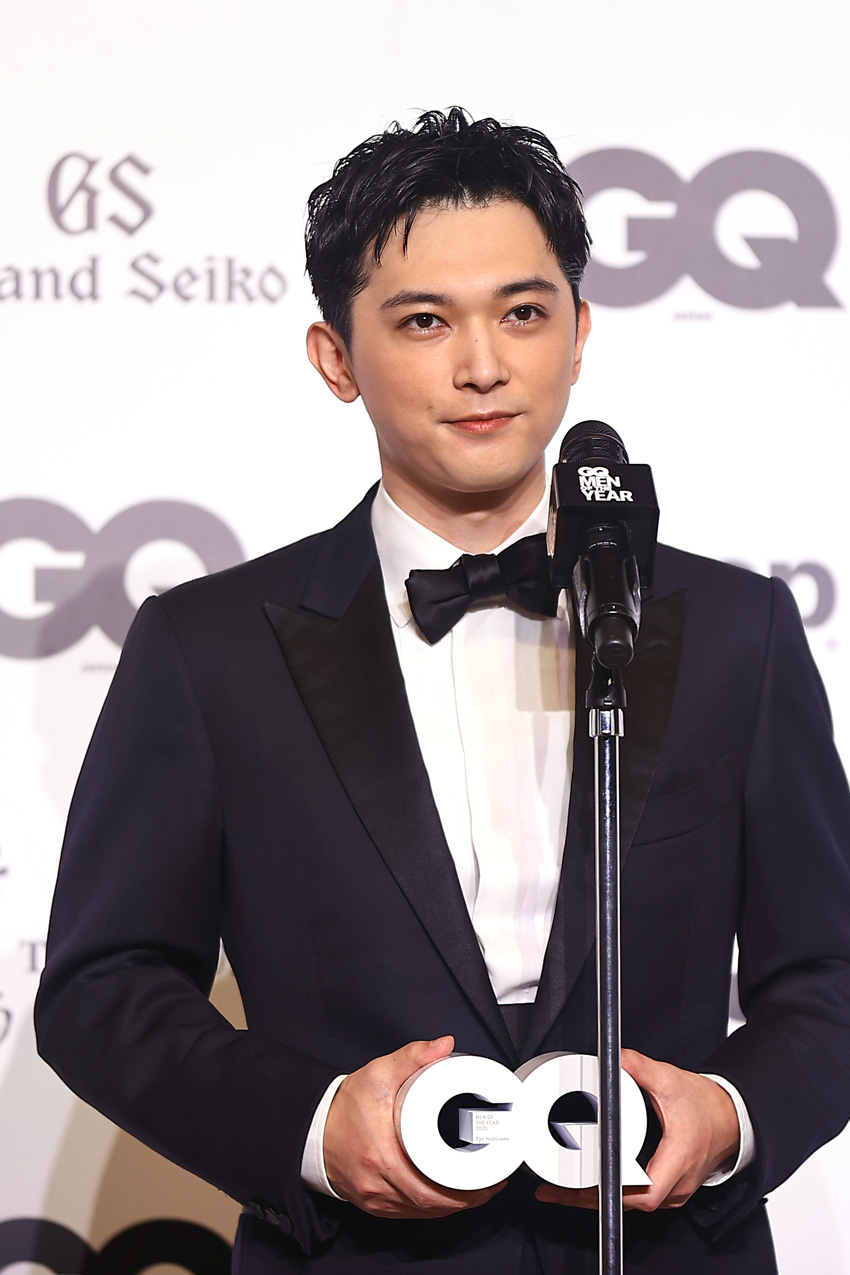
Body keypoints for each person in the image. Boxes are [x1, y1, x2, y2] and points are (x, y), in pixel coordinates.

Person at [35, 108, 850, 1275]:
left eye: (523, 313)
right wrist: (314, 1127)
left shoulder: (734, 632)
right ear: (335, 358)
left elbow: (829, 970)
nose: (483, 366)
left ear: (579, 332)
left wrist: (728, 1116)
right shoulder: (209, 649)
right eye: (424, 321)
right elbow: (102, 989)